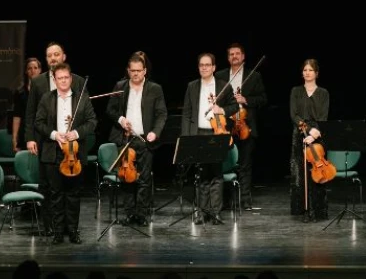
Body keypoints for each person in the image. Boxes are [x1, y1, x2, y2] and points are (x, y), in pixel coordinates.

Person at [25, 42, 86, 235]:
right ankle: (50, 226)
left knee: (70, 189)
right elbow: (31, 113)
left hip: (72, 146)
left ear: (63, 57)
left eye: (56, 54)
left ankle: (69, 227)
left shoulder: (78, 81)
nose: (53, 58)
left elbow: (86, 115)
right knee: (48, 186)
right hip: (47, 142)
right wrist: (30, 138)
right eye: (49, 55)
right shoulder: (38, 82)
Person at [34, 62, 96, 244]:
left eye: (66, 77)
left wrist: (75, 133)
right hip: (53, 152)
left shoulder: (82, 98)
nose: (63, 81)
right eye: (59, 78)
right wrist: (55, 135)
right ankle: (58, 232)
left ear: (71, 78)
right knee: (56, 194)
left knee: (73, 194)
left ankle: (73, 231)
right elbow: (38, 122)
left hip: (74, 154)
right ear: (54, 79)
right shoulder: (46, 98)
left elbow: (92, 122)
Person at [106, 52, 167, 226]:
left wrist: (155, 132)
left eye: (139, 71)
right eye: (133, 71)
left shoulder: (155, 89)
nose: (136, 74)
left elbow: (162, 114)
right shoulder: (120, 86)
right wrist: (121, 120)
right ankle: (129, 213)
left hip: (145, 139)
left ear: (145, 71)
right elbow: (110, 110)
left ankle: (142, 214)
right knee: (127, 177)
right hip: (126, 138)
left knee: (144, 179)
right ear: (128, 71)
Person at [180, 53, 238, 225]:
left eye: (207, 65)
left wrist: (222, 110)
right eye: (201, 65)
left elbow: (235, 106)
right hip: (199, 133)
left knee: (216, 174)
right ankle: (201, 212)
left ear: (214, 67)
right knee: (201, 174)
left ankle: (216, 213)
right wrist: (186, 137)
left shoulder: (223, 85)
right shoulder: (192, 86)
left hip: (217, 133)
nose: (204, 68)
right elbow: (187, 113)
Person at [214, 43, 267, 210]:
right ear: (228, 57)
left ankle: (244, 199)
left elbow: (263, 99)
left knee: (245, 164)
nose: (234, 56)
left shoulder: (254, 75)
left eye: (237, 53)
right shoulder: (220, 75)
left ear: (243, 56)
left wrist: (246, 100)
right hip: (226, 126)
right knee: (225, 163)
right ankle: (224, 200)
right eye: (231, 54)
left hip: (245, 126)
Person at [290, 59, 330, 222]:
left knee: (317, 170)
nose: (307, 72)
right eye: (305, 70)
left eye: (310, 70)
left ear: (316, 73)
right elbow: (294, 114)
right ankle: (303, 209)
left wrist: (314, 134)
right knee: (300, 172)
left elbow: (323, 116)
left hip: (317, 133)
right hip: (300, 133)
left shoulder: (323, 93)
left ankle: (318, 209)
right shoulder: (295, 91)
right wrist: (305, 129)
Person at [11, 57, 42, 152]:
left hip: (42, 132)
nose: (33, 71)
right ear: (26, 71)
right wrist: (14, 138)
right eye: (29, 68)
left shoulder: (46, 90)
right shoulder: (20, 92)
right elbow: (17, 116)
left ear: (40, 70)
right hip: (25, 132)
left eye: (35, 68)